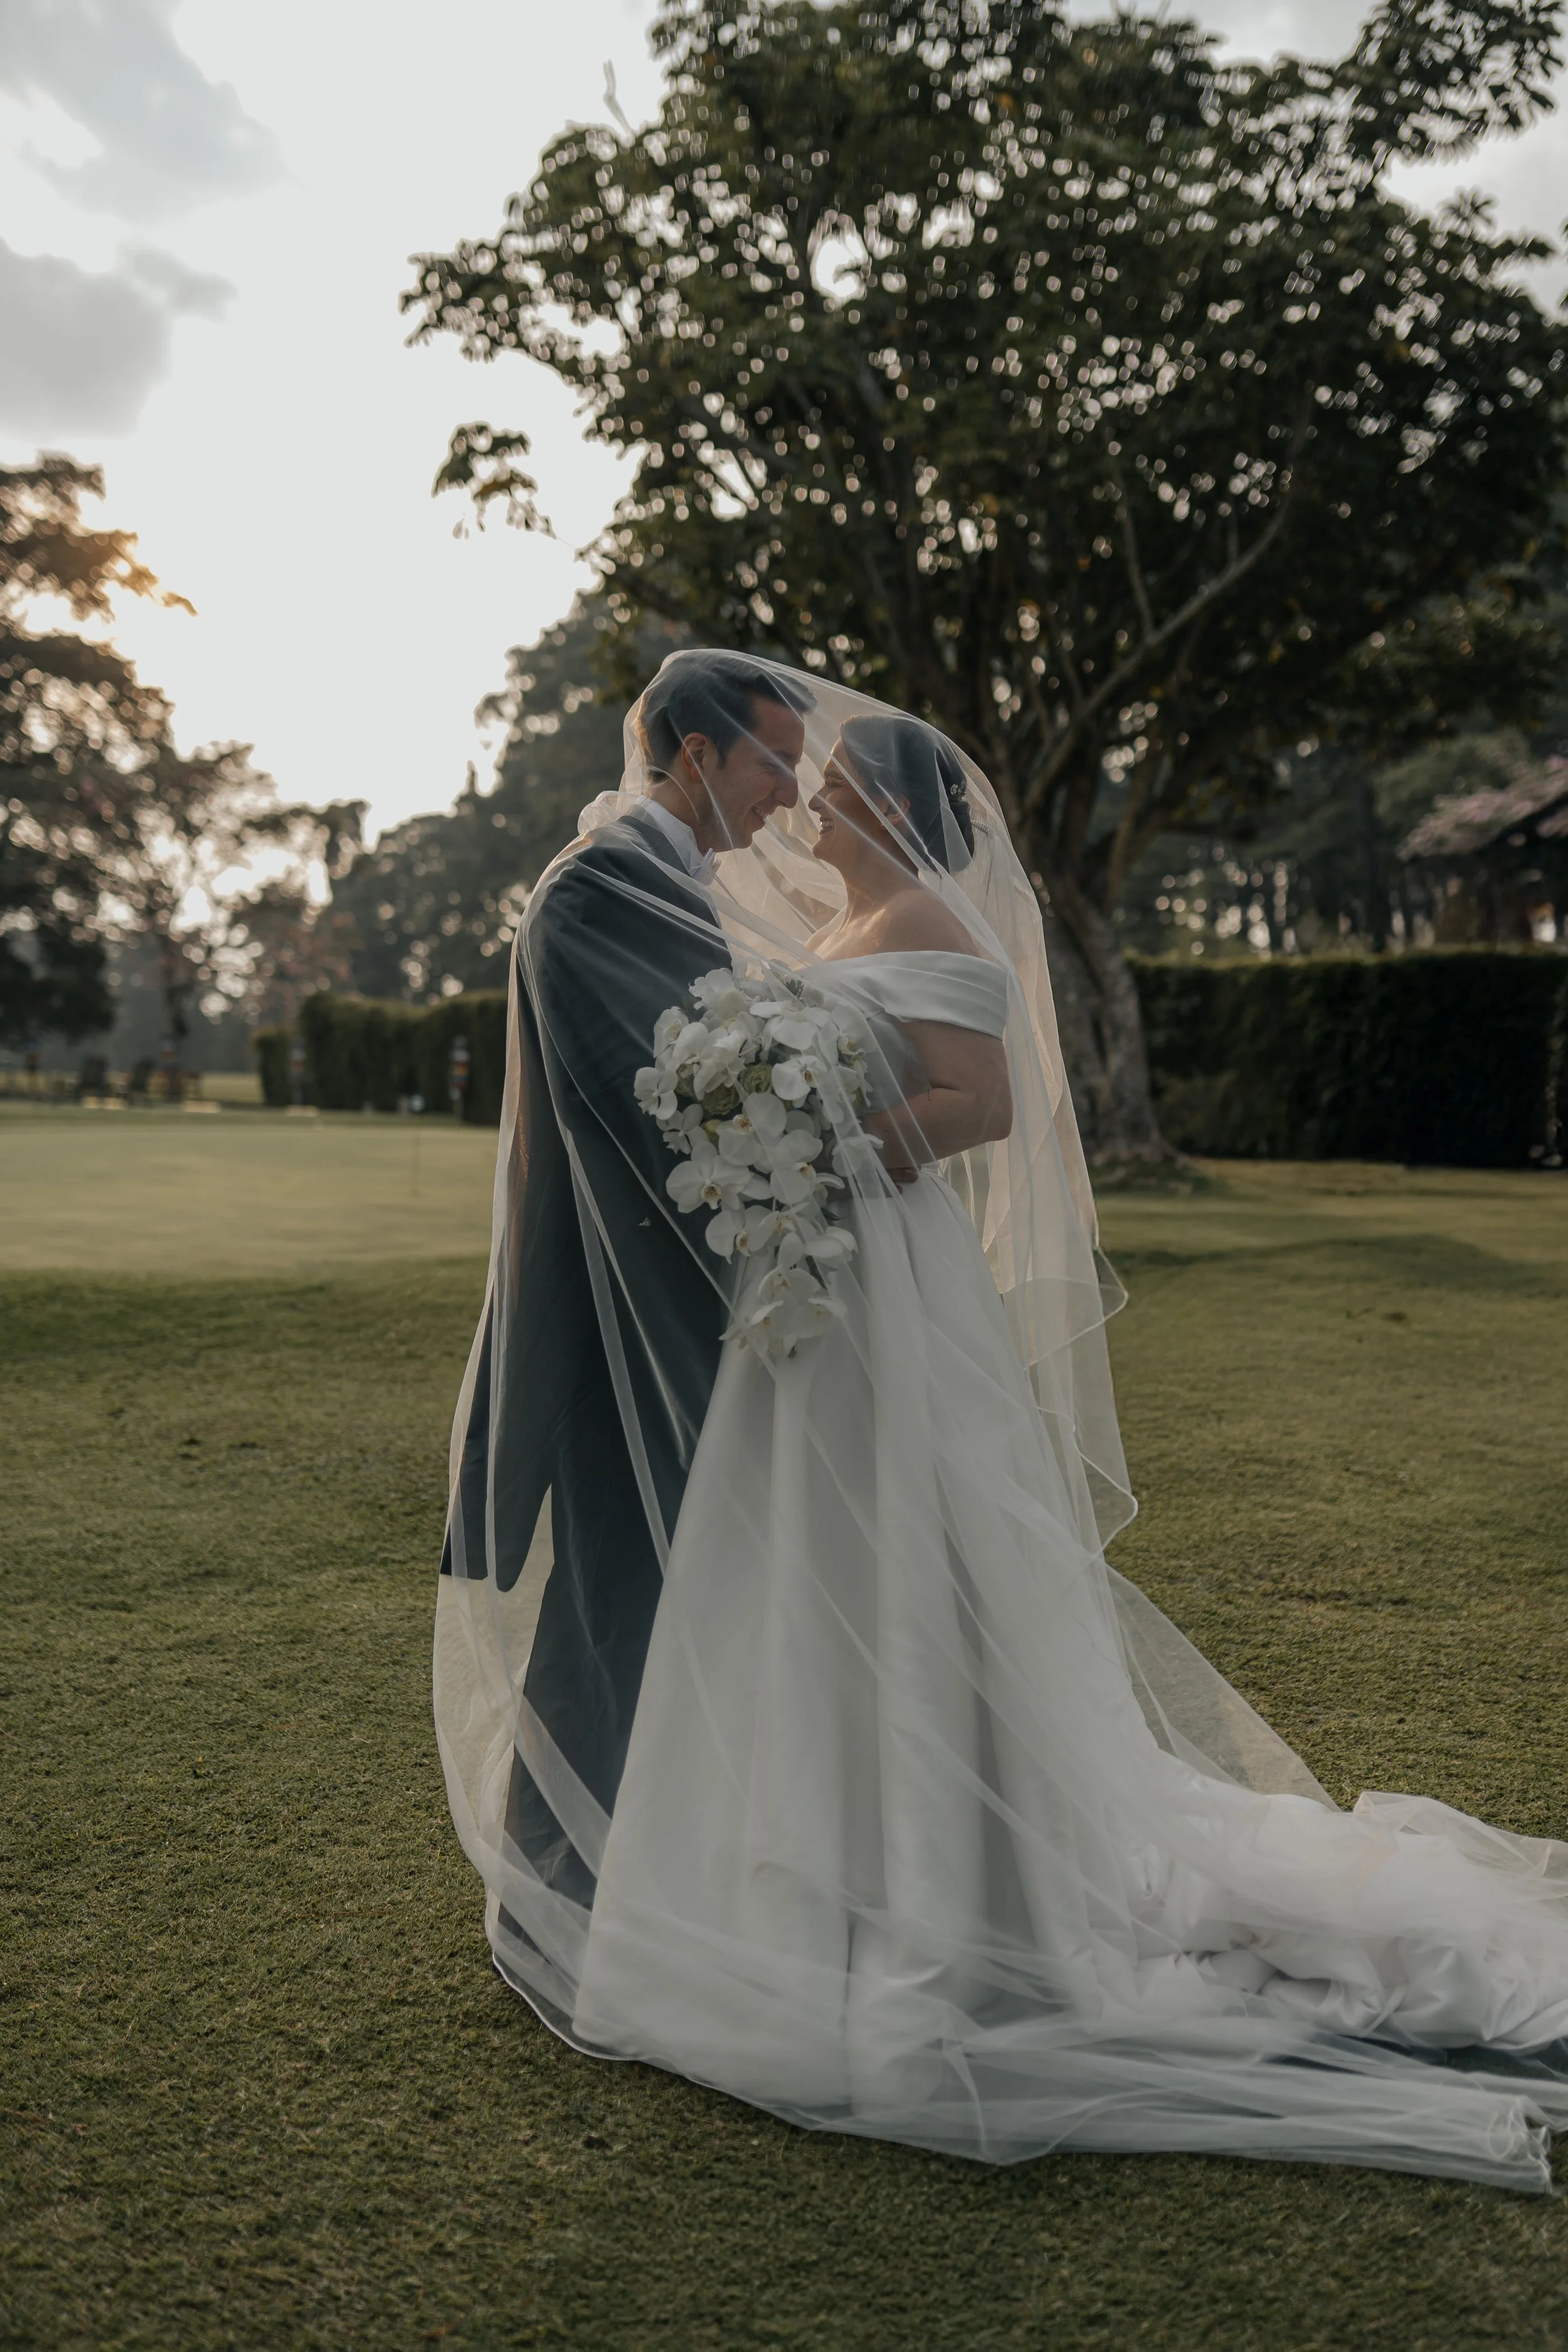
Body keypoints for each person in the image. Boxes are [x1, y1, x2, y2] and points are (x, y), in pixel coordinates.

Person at [436, 653, 1568, 2192]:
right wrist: (789, 1149)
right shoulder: (638, 891)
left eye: (825, 781)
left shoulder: (901, 922)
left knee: (874, 1565)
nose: (795, 800)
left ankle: (898, 1883)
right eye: (776, 767)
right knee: (787, 1575)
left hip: (857, 1283)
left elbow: (975, 1099)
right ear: (693, 753)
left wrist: (818, 1149)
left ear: (896, 814)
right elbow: (673, 1088)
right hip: (794, 1290)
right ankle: (724, 1870)